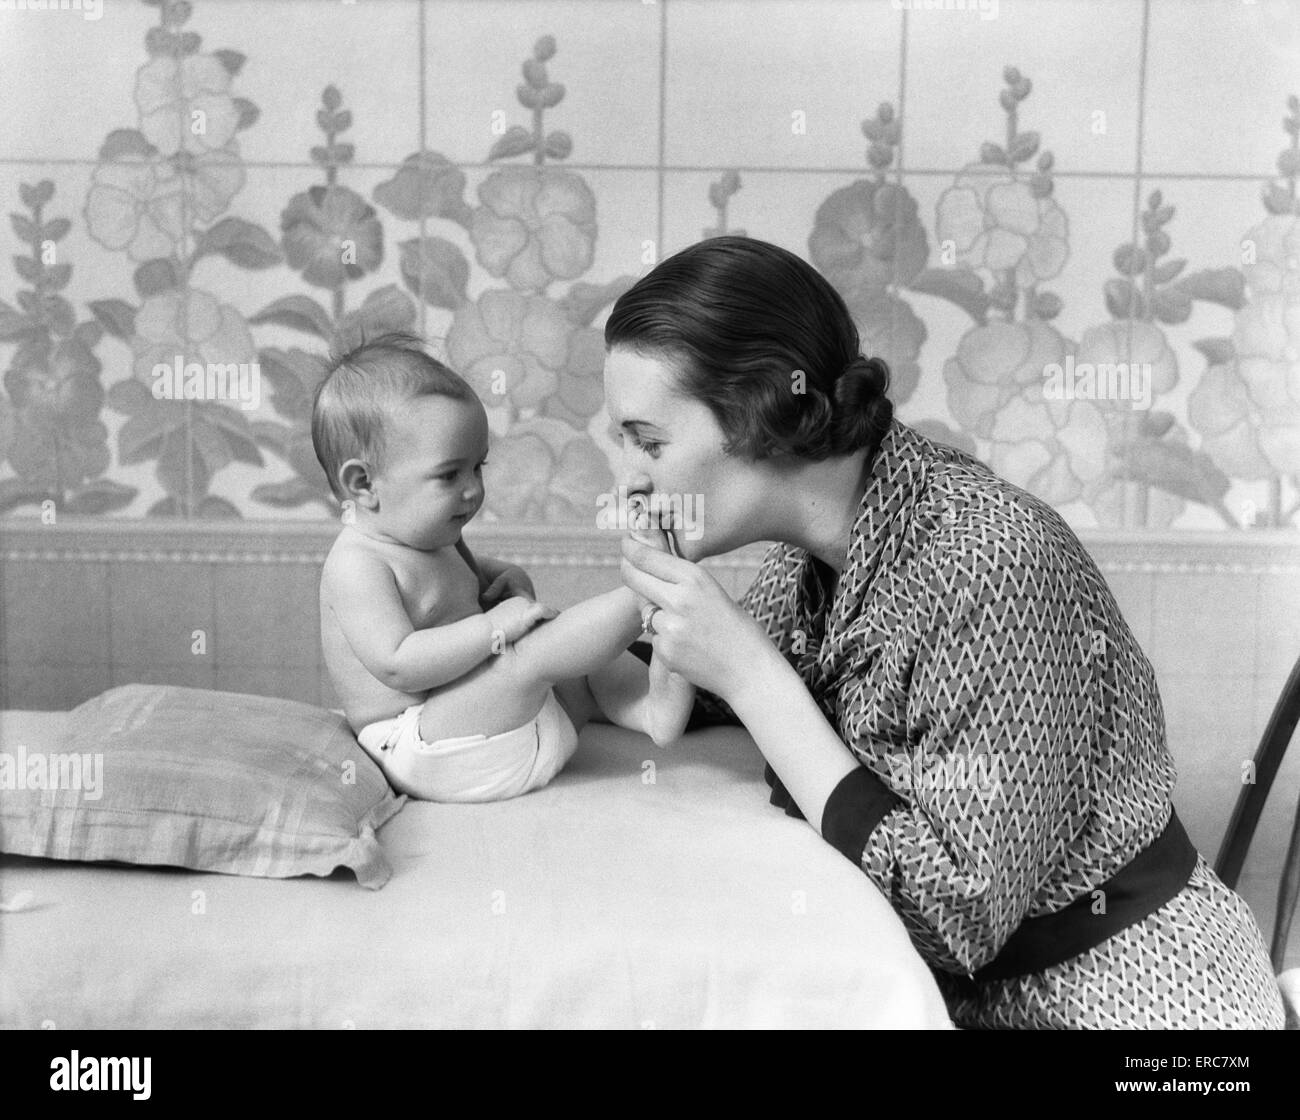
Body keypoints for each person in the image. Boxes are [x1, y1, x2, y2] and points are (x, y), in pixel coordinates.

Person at [586, 234, 1285, 1029]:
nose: (630, 477)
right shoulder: (826, 551)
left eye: (649, 441)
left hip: (1142, 1005)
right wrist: (509, 636)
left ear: (761, 414)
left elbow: (955, 916)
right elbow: (675, 693)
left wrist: (750, 676)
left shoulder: (987, 561)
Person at [313, 332, 693, 803]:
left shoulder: (433, 539)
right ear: (363, 483)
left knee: (566, 647)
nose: (472, 490)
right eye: (450, 474)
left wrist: (500, 583)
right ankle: (644, 593)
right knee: (528, 655)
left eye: (478, 468)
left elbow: (456, 593)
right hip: (420, 745)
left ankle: (653, 710)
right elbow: (399, 664)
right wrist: (494, 628)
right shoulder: (356, 565)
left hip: (499, 727)